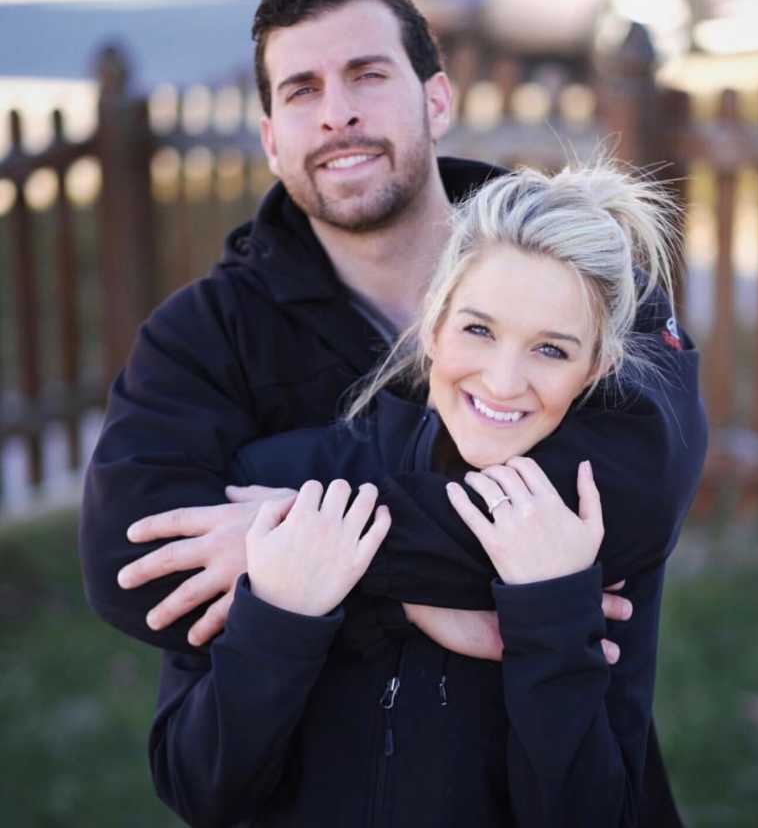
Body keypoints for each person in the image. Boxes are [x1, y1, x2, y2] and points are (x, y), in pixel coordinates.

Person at [76, 0, 703, 826]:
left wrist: (291, 547)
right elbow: (135, 564)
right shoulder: (202, 337)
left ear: (436, 100)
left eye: (368, 75)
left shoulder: (575, 274)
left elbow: (627, 493)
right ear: (270, 136)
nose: (337, 112)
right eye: (302, 90)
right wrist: (416, 597)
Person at [149, 162, 706, 827]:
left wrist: (550, 615)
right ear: (433, 323)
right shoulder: (284, 478)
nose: (503, 381)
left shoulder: (583, 534)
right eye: (479, 329)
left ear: (598, 368)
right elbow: (199, 788)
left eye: (551, 351)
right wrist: (287, 613)